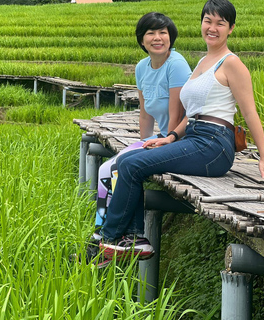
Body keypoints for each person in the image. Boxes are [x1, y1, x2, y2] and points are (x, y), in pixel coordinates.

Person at [98, 0, 264, 261]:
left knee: (132, 165)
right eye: (208, 21)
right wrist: (171, 137)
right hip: (196, 137)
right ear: (201, 24)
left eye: (220, 23)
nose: (212, 27)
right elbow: (194, 111)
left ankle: (108, 239)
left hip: (214, 144)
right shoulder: (202, 62)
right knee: (129, 159)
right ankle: (132, 238)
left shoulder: (231, 63)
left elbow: (250, 113)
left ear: (230, 28)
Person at [86, 12, 192, 265]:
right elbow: (145, 115)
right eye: (151, 33)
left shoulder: (176, 64)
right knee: (105, 167)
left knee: (118, 168)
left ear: (171, 37)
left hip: (180, 138)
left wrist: (150, 149)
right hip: (160, 137)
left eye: (163, 32)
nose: (158, 38)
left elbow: (178, 115)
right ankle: (110, 233)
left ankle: (116, 238)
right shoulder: (142, 67)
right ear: (141, 40)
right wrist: (141, 144)